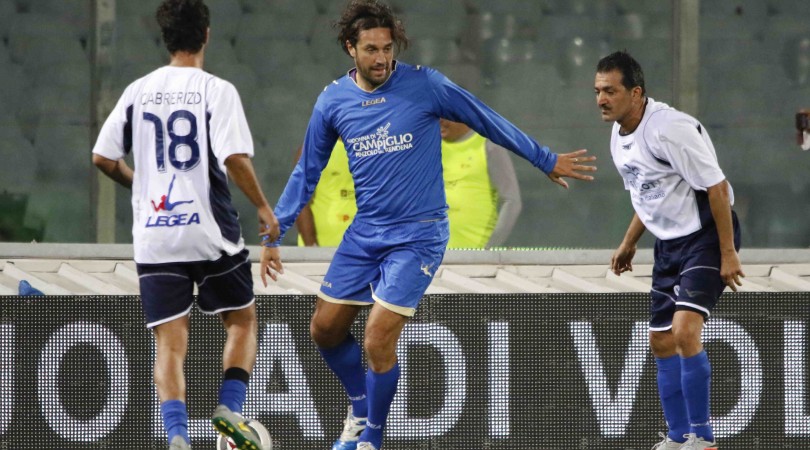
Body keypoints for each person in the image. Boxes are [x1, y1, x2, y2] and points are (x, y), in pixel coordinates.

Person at [263, 2, 596, 449]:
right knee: (324, 329)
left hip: (419, 234)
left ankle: (372, 439)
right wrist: (276, 230)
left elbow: (487, 120)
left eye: (387, 48)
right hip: (367, 233)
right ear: (350, 48)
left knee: (377, 337)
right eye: (370, 49)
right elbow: (307, 172)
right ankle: (361, 409)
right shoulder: (332, 101)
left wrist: (545, 158)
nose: (381, 58)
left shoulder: (426, 84)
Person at [91, 1, 281, 449]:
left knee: (170, 342)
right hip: (208, 230)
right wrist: (263, 207)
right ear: (207, 36)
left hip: (155, 235)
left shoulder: (137, 90)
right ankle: (229, 409)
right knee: (242, 321)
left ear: (166, 37)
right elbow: (234, 157)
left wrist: (141, 187)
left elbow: (102, 156)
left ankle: (177, 436)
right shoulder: (216, 90)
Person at [594, 51, 744, 450]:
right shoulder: (618, 135)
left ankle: (704, 439)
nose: (601, 99)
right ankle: (678, 438)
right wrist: (628, 243)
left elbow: (716, 187)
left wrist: (728, 252)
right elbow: (648, 195)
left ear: (636, 93)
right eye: (597, 91)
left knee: (683, 330)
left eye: (610, 91)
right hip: (668, 244)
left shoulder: (670, 129)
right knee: (660, 341)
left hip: (707, 235)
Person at [295, 120, 522, 248]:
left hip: (370, 257)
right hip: (321, 256)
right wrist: (312, 245)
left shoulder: (389, 147)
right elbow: (299, 200)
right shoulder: (315, 147)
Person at [439, 118, 522, 248]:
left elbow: (512, 200)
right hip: (433, 257)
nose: (440, 121)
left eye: (445, 116)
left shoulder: (488, 145)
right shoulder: (429, 146)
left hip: (475, 257)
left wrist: (489, 249)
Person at [295, 139, 356, 247]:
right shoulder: (311, 150)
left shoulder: (375, 149)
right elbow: (299, 202)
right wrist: (311, 247)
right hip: (322, 247)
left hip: (365, 248)